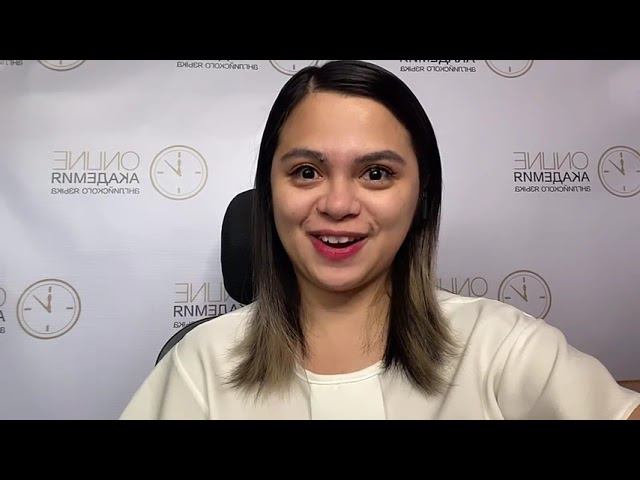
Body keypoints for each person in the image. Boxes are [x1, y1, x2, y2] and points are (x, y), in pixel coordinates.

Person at [120, 60, 640, 420]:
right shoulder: (200, 364)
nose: (338, 204)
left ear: (421, 196)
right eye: (306, 172)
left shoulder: (502, 346)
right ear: (270, 191)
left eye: (376, 174)